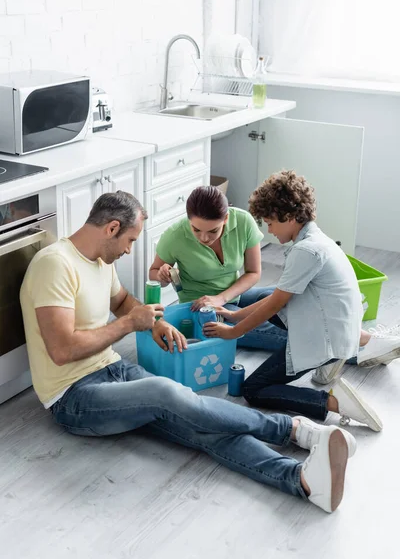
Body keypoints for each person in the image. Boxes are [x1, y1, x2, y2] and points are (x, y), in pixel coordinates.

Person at [20, 190, 357, 514]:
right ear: (111, 229)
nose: (129, 250)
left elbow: (122, 302)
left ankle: (302, 481)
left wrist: (154, 322)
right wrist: (127, 325)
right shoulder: (55, 265)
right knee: (166, 391)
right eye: (131, 240)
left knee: (200, 420)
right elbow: (61, 350)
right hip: (73, 396)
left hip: (112, 368)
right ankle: (292, 430)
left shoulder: (99, 260)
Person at [203, 170, 400, 432]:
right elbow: (274, 299)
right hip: (336, 324)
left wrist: (234, 332)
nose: (269, 230)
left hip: (326, 338)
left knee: (253, 389)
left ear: (292, 217)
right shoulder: (315, 238)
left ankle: (334, 401)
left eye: (271, 222)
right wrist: (233, 315)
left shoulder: (306, 251)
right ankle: (332, 361)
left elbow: (276, 305)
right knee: (266, 295)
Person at [149, 185, 287, 352]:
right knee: (278, 332)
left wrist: (221, 298)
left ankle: (315, 330)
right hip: (202, 309)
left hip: (234, 294)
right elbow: (153, 273)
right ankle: (319, 343)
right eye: (196, 230)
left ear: (226, 218)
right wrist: (162, 275)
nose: (204, 238)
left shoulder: (243, 222)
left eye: (213, 231)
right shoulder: (174, 236)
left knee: (286, 294)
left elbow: (253, 272)